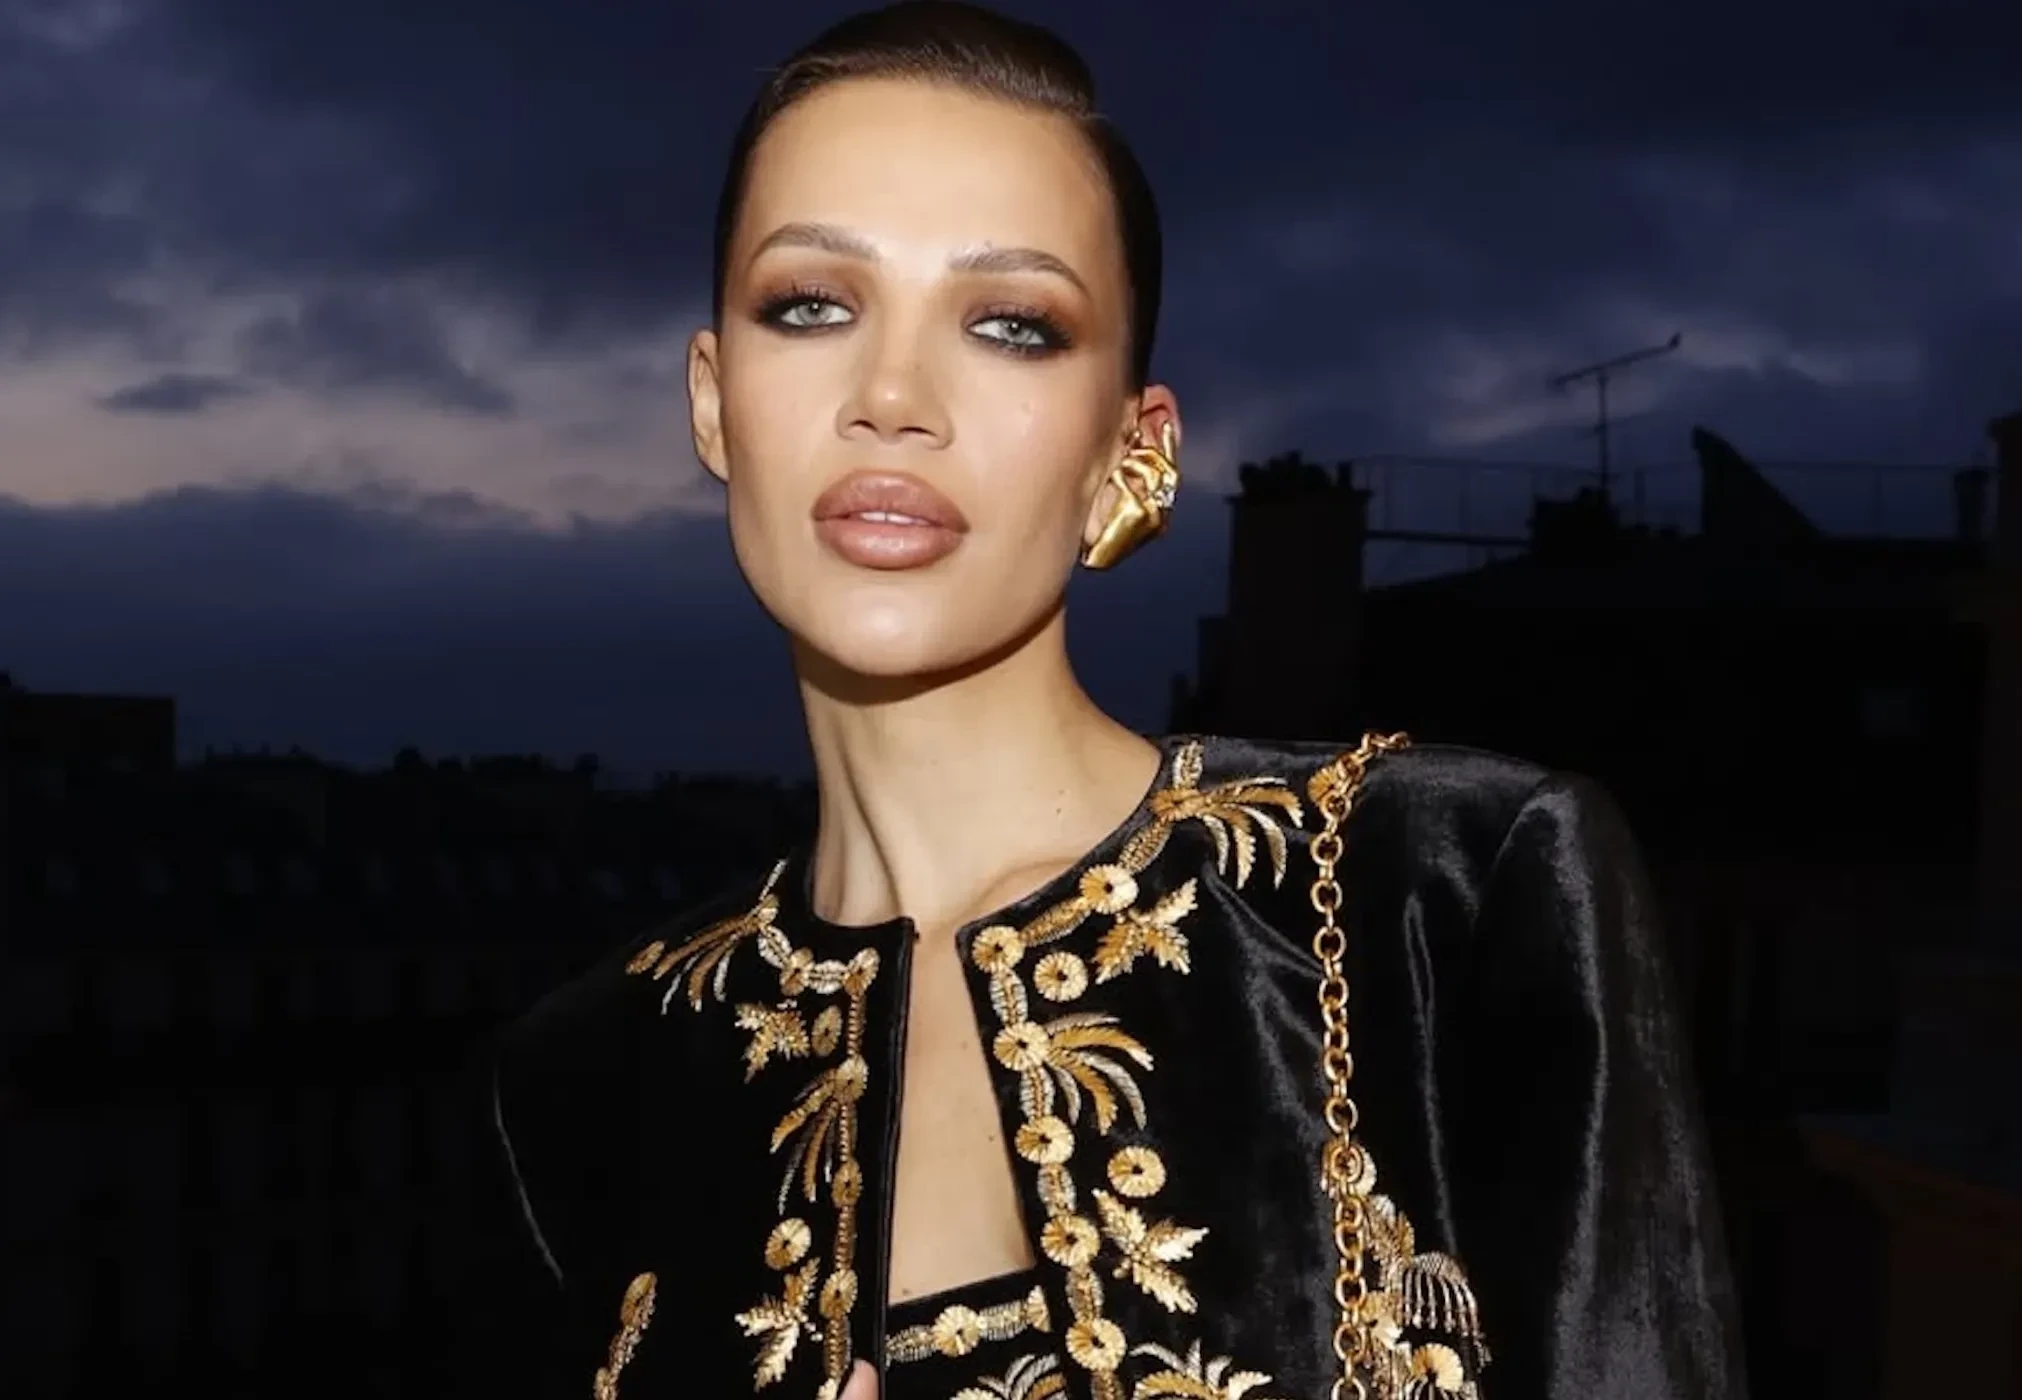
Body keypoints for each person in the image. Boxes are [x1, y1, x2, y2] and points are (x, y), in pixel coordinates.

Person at [453, 5, 1745, 1399]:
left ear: (1131, 454)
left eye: (1013, 326)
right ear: (715, 401)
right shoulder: (584, 1079)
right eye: (812, 306)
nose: (891, 396)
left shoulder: (1440, 895)